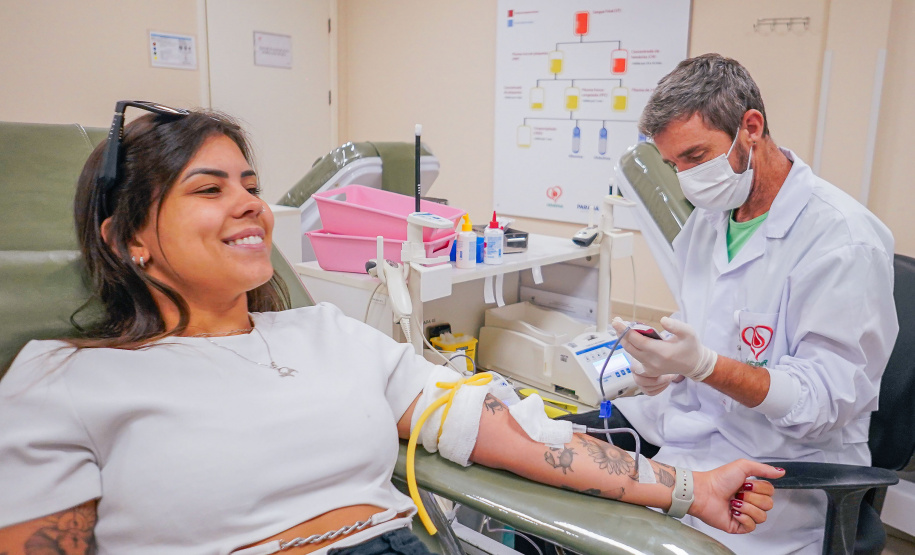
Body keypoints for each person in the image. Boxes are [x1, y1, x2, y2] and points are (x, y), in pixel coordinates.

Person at [0, 103, 783, 555]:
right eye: (209, 188)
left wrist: (688, 488)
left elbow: (503, 429)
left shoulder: (329, 334)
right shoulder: (63, 378)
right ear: (126, 238)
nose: (250, 204)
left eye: (252, 184)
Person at [568, 54, 898, 554]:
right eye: (673, 164)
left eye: (696, 157)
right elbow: (712, 333)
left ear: (751, 127)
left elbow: (821, 402)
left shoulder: (842, 241)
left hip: (776, 475)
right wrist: (664, 367)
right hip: (688, 438)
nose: (685, 178)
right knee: (548, 451)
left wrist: (703, 366)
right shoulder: (710, 220)